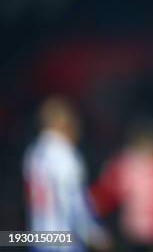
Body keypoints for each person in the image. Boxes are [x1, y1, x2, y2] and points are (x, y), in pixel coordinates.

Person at [23, 96, 111, 252]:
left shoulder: (34, 153)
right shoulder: (65, 154)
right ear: (62, 123)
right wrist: (94, 233)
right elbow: (73, 199)